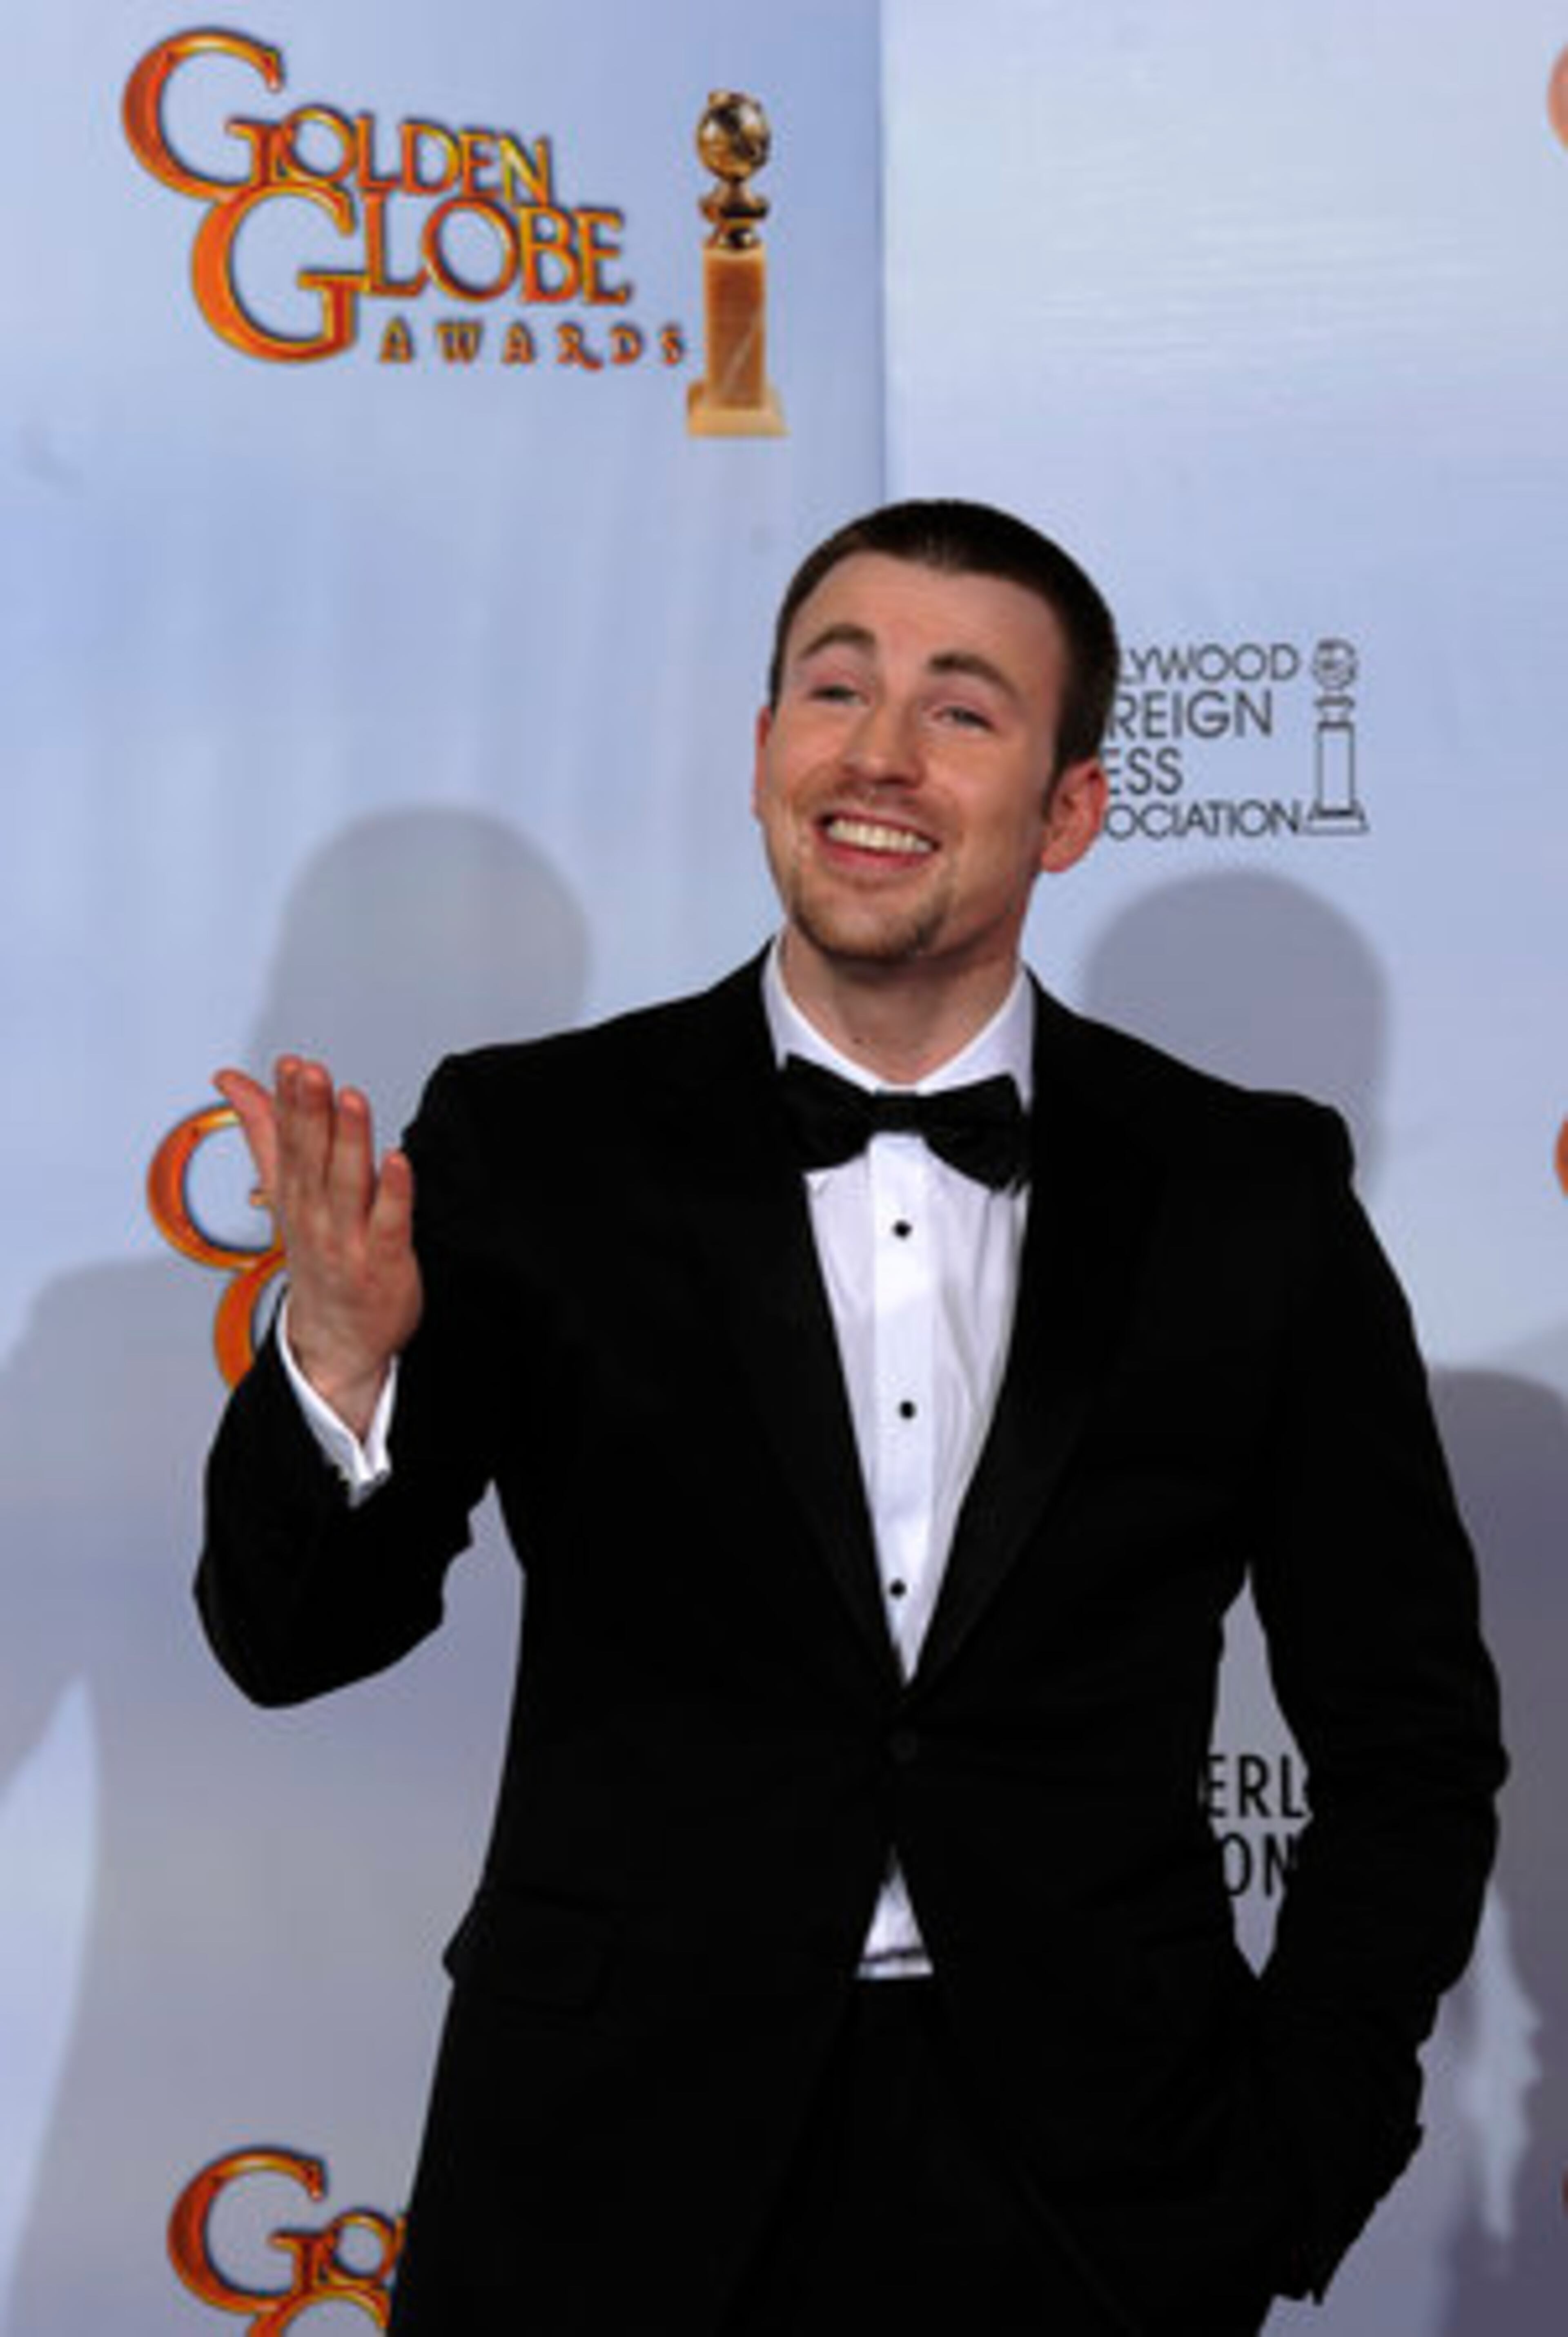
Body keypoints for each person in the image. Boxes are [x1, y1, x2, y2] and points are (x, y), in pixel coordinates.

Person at [198, 499, 1505, 2336]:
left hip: (1098, 2194)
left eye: (963, 711)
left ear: (1068, 810)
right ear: (761, 756)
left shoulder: (1248, 1192)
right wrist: (336, 1367)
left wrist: (1300, 2152)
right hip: (606, 2182)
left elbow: (1416, 1740)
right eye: (836, 686)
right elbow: (292, 1641)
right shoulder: (534, 1145)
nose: (878, 754)